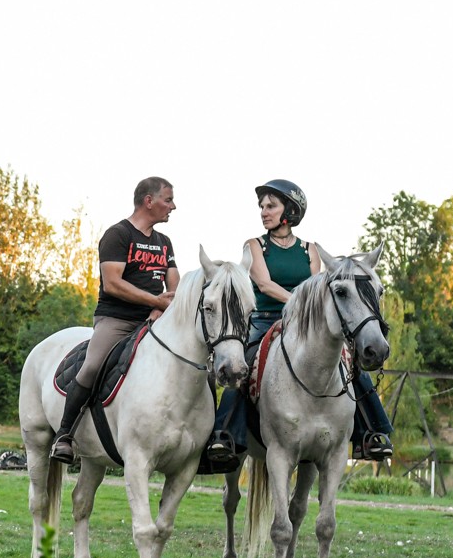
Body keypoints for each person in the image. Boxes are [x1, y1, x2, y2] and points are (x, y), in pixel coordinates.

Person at [205, 179, 394, 463]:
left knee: (351, 363)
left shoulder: (310, 250)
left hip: (302, 322)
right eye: (262, 207)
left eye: (271, 206)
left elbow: (316, 288)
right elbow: (265, 284)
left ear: (289, 211)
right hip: (263, 320)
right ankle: (225, 434)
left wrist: (302, 310)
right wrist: (298, 303)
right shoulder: (255, 245)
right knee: (244, 363)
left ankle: (372, 433)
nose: (264, 211)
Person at [50, 176, 179, 463]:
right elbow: (113, 284)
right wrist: (156, 301)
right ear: (149, 201)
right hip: (116, 319)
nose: (173, 206)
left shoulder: (164, 242)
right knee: (92, 366)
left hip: (154, 320)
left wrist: (163, 306)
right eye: (168, 200)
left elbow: (174, 284)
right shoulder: (117, 235)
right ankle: (64, 434)